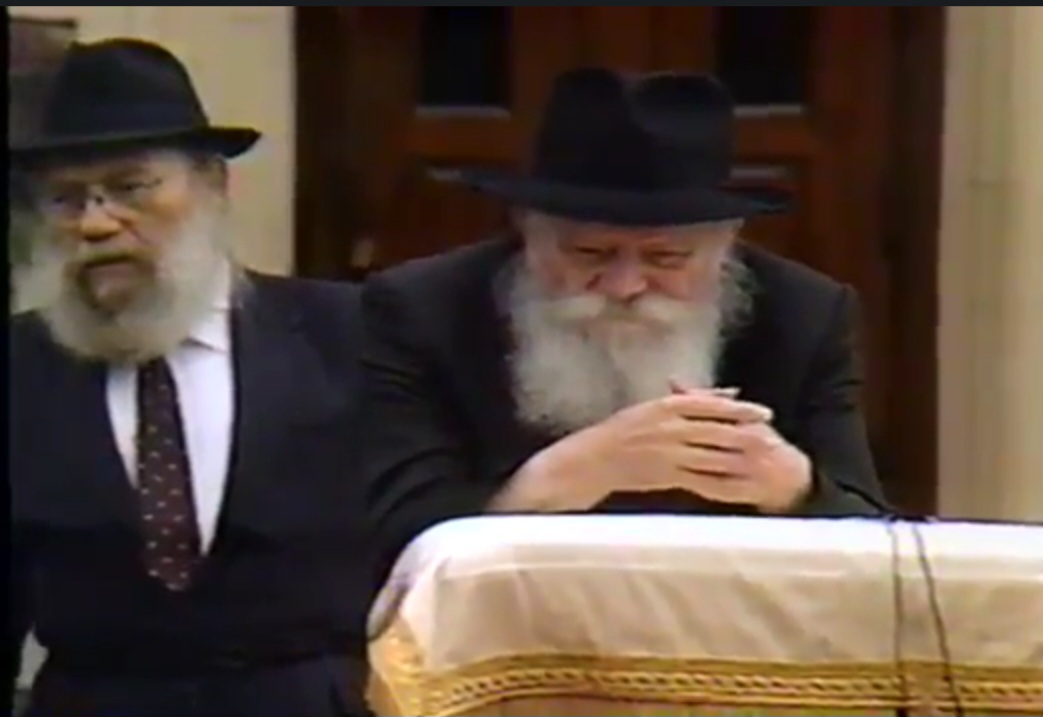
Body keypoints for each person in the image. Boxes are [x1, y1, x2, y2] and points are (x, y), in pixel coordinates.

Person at [360, 68, 890, 582]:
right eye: (590, 253)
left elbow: (879, 546)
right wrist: (562, 477)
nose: (625, 286)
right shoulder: (424, 310)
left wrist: (796, 488)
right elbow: (388, 539)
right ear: (528, 233)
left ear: (725, 245)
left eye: (666, 258)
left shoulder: (804, 315)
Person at [9, 39, 372, 717]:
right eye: (65, 198)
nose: (95, 223)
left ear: (211, 182)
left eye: (130, 187)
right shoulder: (20, 366)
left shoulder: (349, 334)